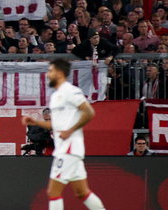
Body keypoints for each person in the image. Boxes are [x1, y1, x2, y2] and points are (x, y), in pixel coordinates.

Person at [21, 59, 107, 210]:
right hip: (68, 150)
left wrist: (70, 130)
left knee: (53, 192)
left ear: (60, 73)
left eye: (51, 71)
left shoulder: (70, 91)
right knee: (82, 192)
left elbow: (89, 112)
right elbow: (57, 124)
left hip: (69, 149)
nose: (48, 75)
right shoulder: (56, 96)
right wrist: (36, 122)